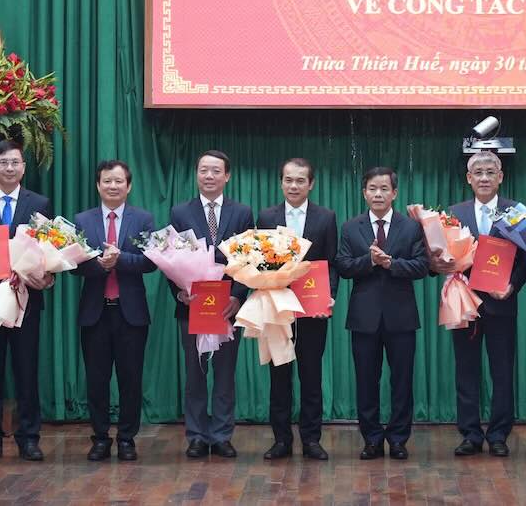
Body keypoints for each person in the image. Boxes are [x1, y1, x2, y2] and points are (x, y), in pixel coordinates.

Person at [0, 139, 54, 462]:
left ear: (24, 168)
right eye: (3, 162)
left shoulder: (39, 203)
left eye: (15, 162)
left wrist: (47, 276)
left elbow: (48, 249)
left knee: (26, 371)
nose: (9, 168)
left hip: (26, 299)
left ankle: (29, 438)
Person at [336, 166, 429, 461]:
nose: (378, 194)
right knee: (366, 382)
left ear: (394, 193)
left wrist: (391, 264)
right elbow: (343, 266)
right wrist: (370, 261)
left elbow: (422, 266)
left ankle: (399, 439)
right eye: (372, 189)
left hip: (401, 317)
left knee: (402, 382)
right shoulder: (351, 227)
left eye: (384, 188)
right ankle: (372, 439)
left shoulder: (411, 227)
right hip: (364, 318)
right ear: (364, 193)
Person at [437, 151, 525, 458]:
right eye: (479, 173)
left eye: (490, 172)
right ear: (469, 178)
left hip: (502, 304)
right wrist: (445, 263)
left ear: (500, 177)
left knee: (502, 371)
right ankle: (470, 434)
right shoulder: (454, 214)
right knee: (466, 370)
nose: (484, 178)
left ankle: (499, 434)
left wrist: (513, 285)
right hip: (465, 303)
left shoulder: (516, 212)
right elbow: (443, 255)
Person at [167, 150, 254, 459]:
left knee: (225, 374)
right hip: (192, 306)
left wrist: (238, 296)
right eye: (203, 170)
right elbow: (170, 257)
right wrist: (181, 292)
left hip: (228, 307)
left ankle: (221, 436)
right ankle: (196, 436)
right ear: (196, 174)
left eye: (216, 171)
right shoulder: (180, 212)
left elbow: (249, 257)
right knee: (195, 374)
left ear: (227, 176)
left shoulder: (242, 212)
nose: (209, 176)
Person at [73, 160, 156, 462]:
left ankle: (126, 439)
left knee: (130, 379)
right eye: (107, 181)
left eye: (119, 181)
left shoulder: (143, 219)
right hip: (94, 313)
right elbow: (72, 265)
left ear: (128, 186)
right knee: (96, 380)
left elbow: (150, 262)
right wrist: (98, 265)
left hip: (130, 313)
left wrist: (119, 260)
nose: (113, 186)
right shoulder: (82, 220)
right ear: (98, 185)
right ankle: (100, 438)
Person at [256, 157, 338, 461]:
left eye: (300, 180)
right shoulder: (266, 216)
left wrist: (328, 297)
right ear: (281, 182)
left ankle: (311, 439)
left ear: (311, 184)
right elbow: (260, 262)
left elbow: (331, 264)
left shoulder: (326, 217)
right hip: (278, 309)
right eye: (288, 180)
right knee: (279, 376)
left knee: (311, 375)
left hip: (313, 309)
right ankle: (281, 440)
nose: (294, 185)